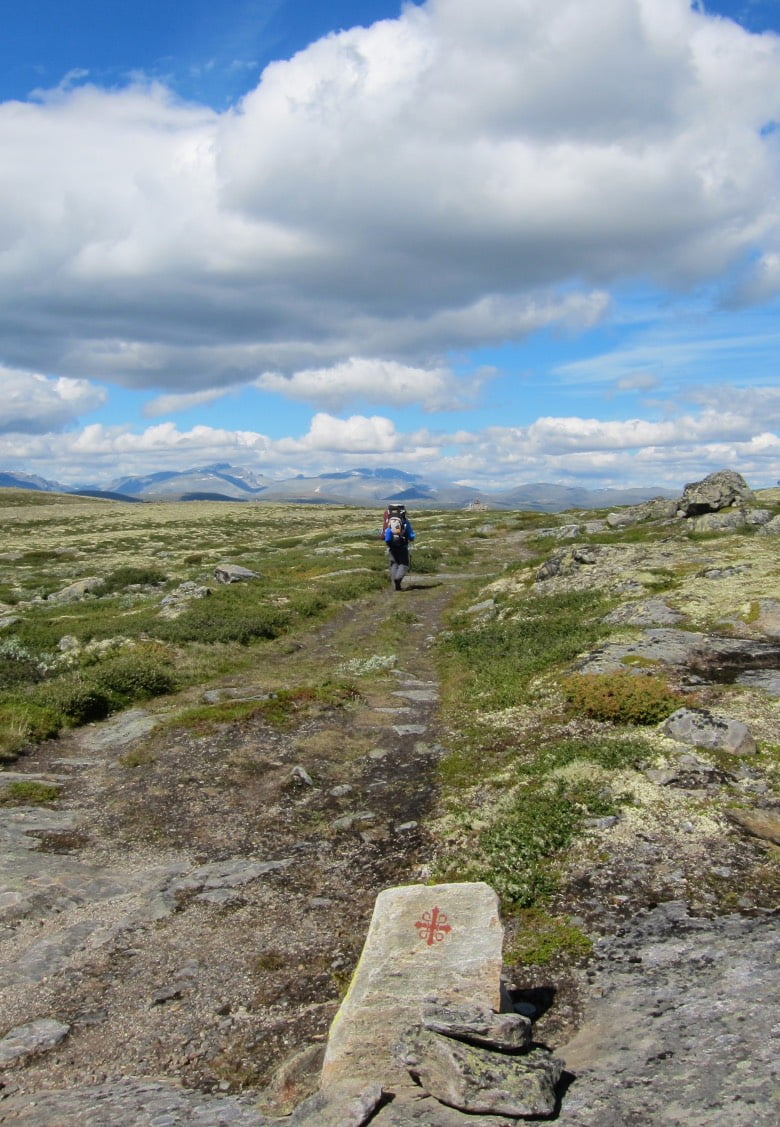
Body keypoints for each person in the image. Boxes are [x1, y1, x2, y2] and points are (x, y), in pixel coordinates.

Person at [383, 513, 415, 590]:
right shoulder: (405, 521)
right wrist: (411, 537)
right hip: (402, 546)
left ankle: (395, 586)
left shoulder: (388, 521)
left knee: (394, 564)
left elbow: (383, 534)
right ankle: (398, 579)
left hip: (391, 547)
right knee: (404, 564)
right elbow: (411, 535)